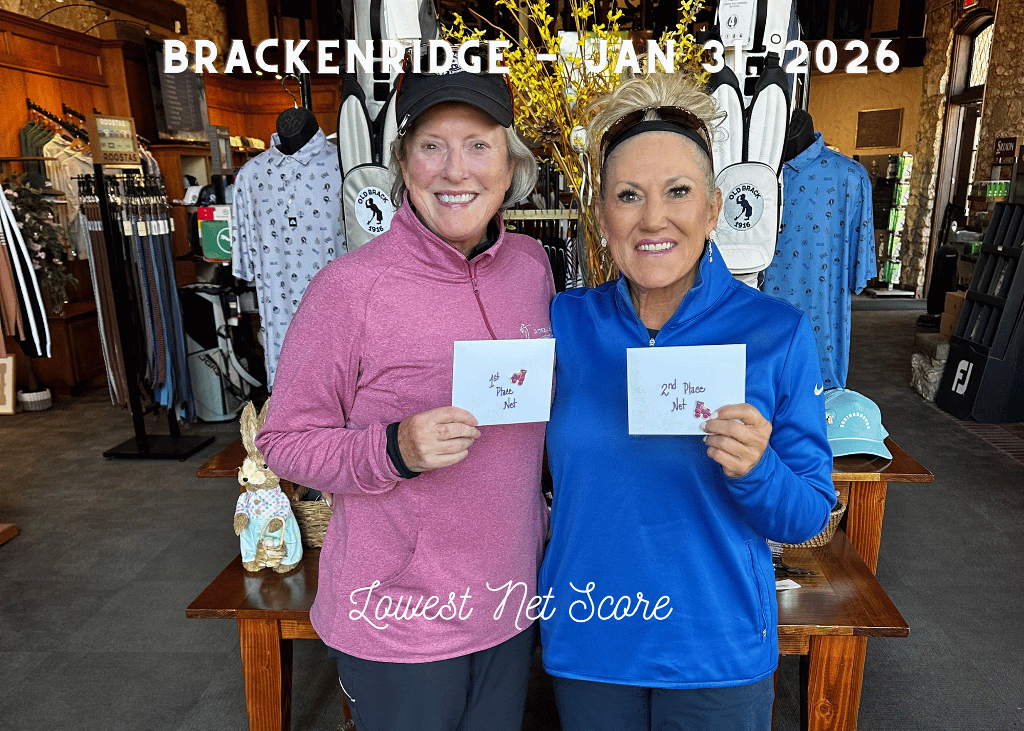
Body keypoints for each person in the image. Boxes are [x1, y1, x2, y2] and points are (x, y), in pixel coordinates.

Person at [256, 46, 555, 731]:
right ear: (402, 162)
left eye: (478, 145)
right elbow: (283, 441)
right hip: (398, 621)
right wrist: (393, 448)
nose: (456, 170)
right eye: (432, 146)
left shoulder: (532, 267)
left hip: (507, 604)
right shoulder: (350, 288)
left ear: (510, 165)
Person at [538, 70, 836, 731]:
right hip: (591, 639)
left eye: (678, 191)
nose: (653, 219)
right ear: (602, 215)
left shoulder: (777, 331)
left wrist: (758, 469)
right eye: (628, 195)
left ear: (713, 207)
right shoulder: (562, 323)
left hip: (717, 650)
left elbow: (810, 513)